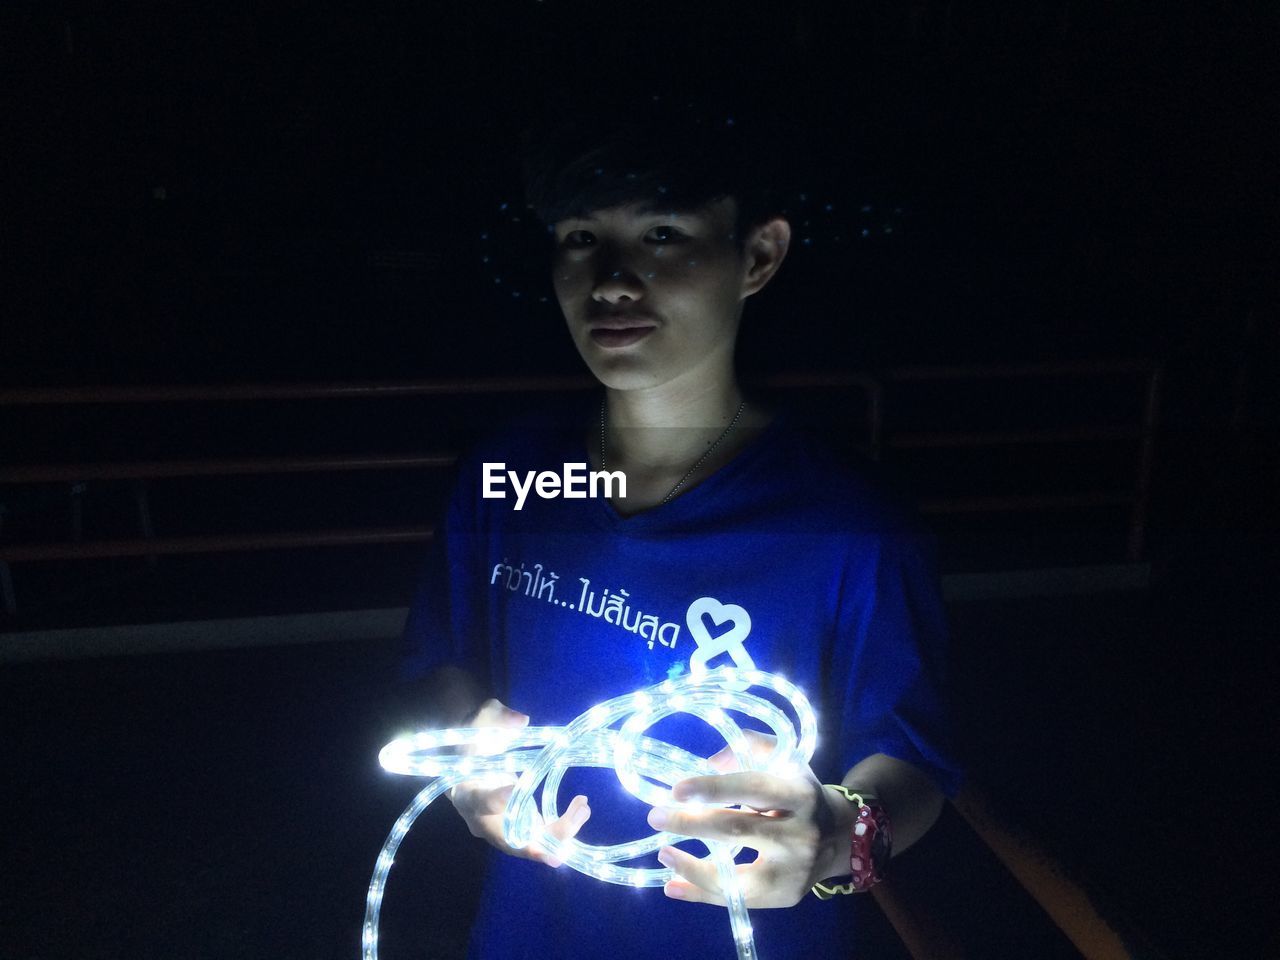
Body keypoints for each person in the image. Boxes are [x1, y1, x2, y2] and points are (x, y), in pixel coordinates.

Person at [397, 100, 963, 958]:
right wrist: (464, 747)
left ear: (759, 255)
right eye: (582, 238)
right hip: (526, 936)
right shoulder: (508, 478)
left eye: (662, 234)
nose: (613, 280)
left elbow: (913, 759)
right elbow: (440, 660)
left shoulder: (851, 526)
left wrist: (840, 836)